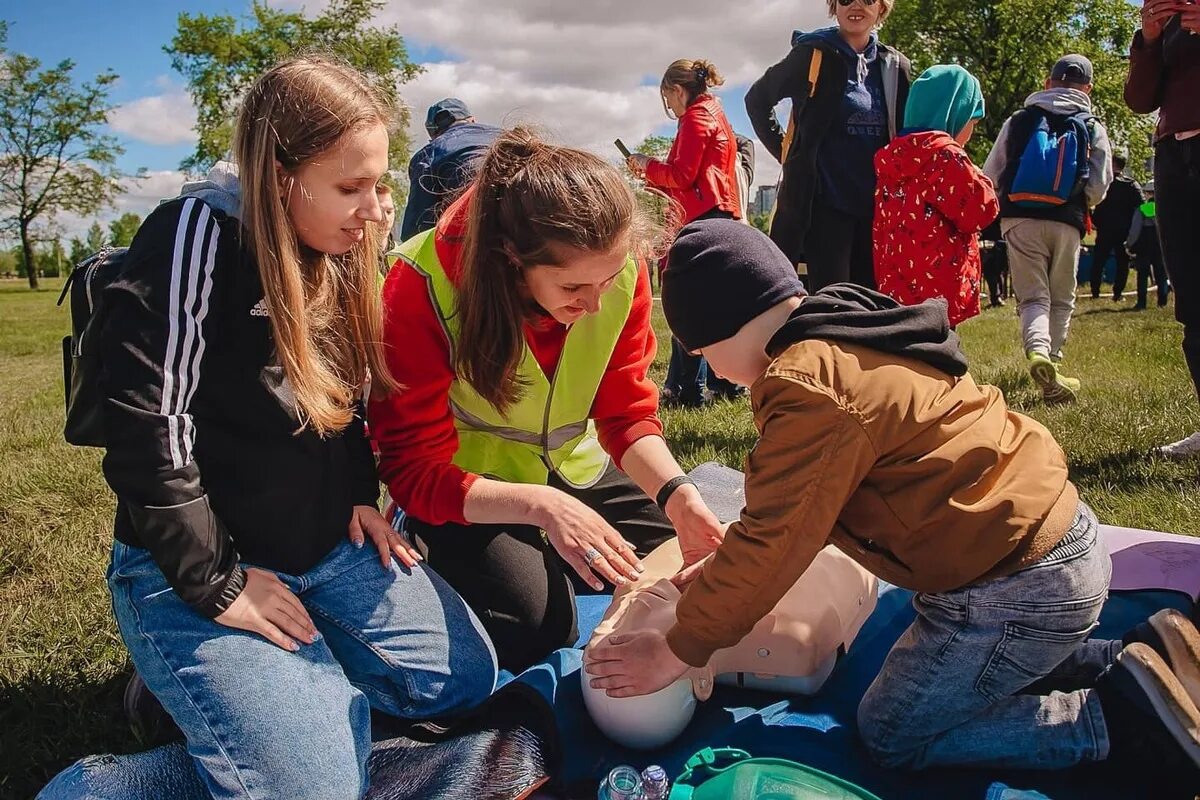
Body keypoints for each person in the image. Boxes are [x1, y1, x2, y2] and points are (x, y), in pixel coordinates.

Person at [585, 218, 1200, 777]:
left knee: (892, 730)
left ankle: (1115, 719)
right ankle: (1138, 656)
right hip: (1053, 544)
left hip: (1012, 587)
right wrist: (714, 581)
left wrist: (678, 647)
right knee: (975, 665)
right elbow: (800, 515)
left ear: (726, 323)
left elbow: (776, 538)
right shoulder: (851, 332)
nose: (712, 371)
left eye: (701, 351)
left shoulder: (807, 387)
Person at [86, 57, 497, 800]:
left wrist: (357, 495)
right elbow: (150, 426)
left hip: (321, 548)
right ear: (280, 175)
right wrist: (216, 585)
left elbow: (335, 406)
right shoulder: (192, 233)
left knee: (466, 679)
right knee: (318, 789)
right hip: (197, 567)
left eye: (379, 186)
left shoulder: (337, 250)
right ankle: (116, 775)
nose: (376, 210)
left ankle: (245, 709)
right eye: (351, 187)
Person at [368, 127, 726, 673]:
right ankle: (442, 541)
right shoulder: (418, 284)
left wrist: (679, 495)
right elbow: (412, 468)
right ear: (511, 261)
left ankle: (552, 550)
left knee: (690, 567)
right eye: (571, 289)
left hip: (576, 467)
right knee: (537, 630)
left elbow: (626, 413)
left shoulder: (615, 268)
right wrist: (542, 507)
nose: (595, 301)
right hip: (465, 484)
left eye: (609, 280)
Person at [746, 0, 911, 290]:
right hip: (826, 208)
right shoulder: (812, 54)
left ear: (882, 7)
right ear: (834, 6)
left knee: (872, 303)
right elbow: (757, 100)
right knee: (833, 301)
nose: (856, 5)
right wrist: (789, 154)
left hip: (877, 211)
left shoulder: (895, 66)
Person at [984, 54, 1113, 403]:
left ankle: (1037, 352)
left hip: (1019, 218)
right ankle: (1054, 361)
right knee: (1062, 297)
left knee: (1033, 297)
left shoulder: (1020, 120)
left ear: (1048, 82)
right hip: (1067, 221)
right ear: (1087, 88)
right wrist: (1080, 202)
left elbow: (992, 172)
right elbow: (1101, 183)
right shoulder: (1092, 125)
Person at [629, 59, 744, 407]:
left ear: (677, 90)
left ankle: (685, 388)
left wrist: (647, 165)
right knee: (711, 304)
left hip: (700, 218)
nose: (671, 108)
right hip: (716, 214)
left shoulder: (695, 118)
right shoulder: (715, 113)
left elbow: (682, 175)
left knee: (688, 304)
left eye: (668, 99)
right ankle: (717, 384)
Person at [1126, 0, 1200, 459]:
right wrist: (1149, 40)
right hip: (1174, 156)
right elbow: (1139, 99)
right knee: (1192, 297)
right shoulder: (1171, 20)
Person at [873, 64, 998, 327]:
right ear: (955, 114)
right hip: (940, 286)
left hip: (896, 282)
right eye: (972, 121)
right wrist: (979, 175)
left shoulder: (894, 155)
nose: (972, 130)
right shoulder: (945, 155)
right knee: (940, 354)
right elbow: (980, 212)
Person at [399, 98, 500, 242]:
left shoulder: (428, 154)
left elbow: (415, 232)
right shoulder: (509, 137)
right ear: (472, 120)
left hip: (476, 243)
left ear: (434, 135)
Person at [1089, 154, 1144, 301]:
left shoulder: (1104, 182)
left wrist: (1094, 219)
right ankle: (1117, 293)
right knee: (1122, 263)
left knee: (1099, 261)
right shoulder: (1131, 184)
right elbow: (1142, 206)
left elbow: (1090, 198)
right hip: (1124, 230)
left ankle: (1095, 292)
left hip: (1104, 228)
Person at [1126, 181, 1170, 310]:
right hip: (1160, 245)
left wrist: (1129, 244)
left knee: (1143, 275)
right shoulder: (1166, 210)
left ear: (1149, 193)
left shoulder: (1142, 209)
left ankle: (1141, 303)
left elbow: (1135, 230)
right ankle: (1162, 302)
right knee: (1161, 275)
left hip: (1144, 246)